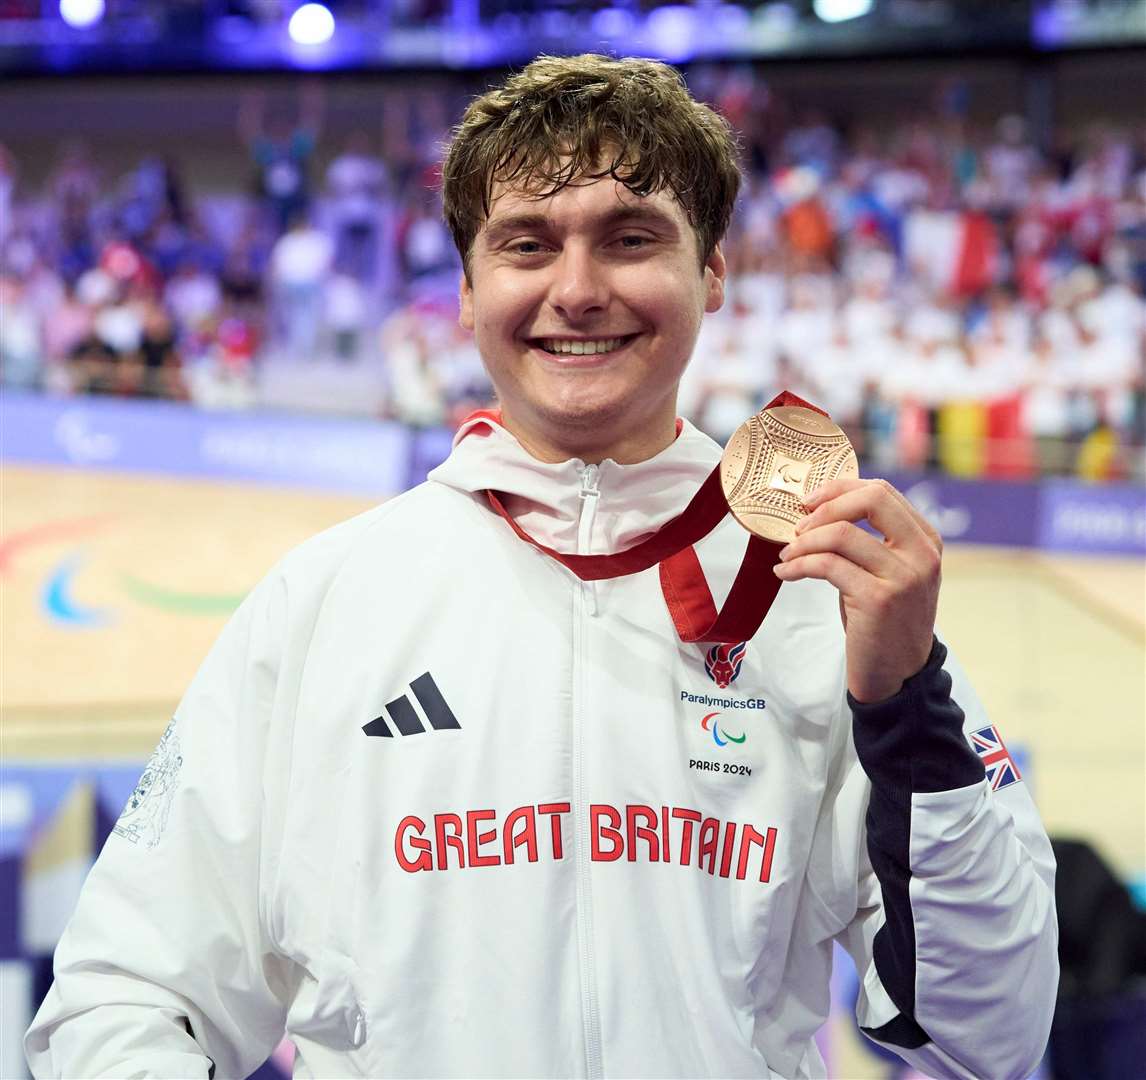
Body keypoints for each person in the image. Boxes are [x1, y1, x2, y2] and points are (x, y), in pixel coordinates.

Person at [27, 54, 1057, 1078]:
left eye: (630, 239)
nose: (577, 289)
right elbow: (125, 995)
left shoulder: (825, 603)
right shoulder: (323, 603)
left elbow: (989, 1035)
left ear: (711, 275)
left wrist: (904, 702)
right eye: (527, 244)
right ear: (468, 293)